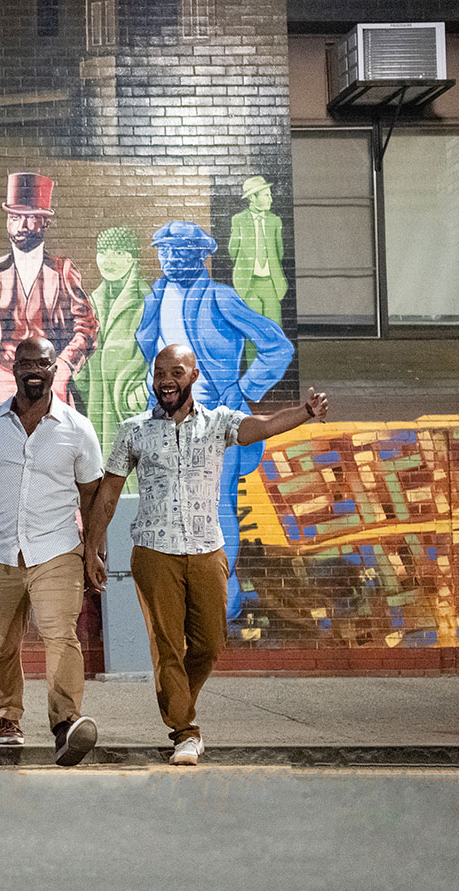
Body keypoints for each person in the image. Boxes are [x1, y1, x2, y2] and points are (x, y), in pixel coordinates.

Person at [85, 344, 330, 766]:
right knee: (166, 644)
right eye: (159, 372)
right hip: (153, 550)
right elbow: (108, 493)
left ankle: (177, 701)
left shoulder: (218, 423)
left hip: (206, 549)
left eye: (175, 372)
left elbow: (265, 426)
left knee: (211, 642)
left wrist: (305, 412)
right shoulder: (134, 430)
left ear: (193, 376)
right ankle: (186, 731)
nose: (165, 380)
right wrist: (92, 546)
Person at [0, 336, 103, 766]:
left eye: (42, 363)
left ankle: (65, 723)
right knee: (0, 645)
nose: (33, 370)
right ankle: (7, 717)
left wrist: (94, 551)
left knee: (61, 636)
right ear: (13, 368)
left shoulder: (77, 428)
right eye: (25, 363)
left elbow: (92, 496)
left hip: (57, 550)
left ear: (55, 369)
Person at [135, 221, 295, 619]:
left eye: (179, 252)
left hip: (213, 428)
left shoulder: (220, 298)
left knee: (217, 508)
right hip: (165, 425)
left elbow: (277, 346)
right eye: (164, 251)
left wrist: (243, 389)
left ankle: (225, 597)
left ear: (198, 255)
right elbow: (148, 347)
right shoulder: (157, 295)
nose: (169, 259)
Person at [0, 172, 98, 418]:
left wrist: (65, 367)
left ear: (45, 222)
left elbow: (87, 328)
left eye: (31, 218)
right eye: (15, 217)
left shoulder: (63, 271)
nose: (22, 225)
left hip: (48, 384)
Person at [74, 227, 153, 472]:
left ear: (133, 258)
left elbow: (159, 352)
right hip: (97, 405)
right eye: (103, 252)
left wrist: (141, 392)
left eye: (119, 252)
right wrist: (82, 378)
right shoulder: (92, 301)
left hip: (130, 406)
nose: (109, 260)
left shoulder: (147, 298)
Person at [227, 176, 286, 325]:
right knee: (252, 329)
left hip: (271, 283)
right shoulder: (239, 220)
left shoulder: (274, 221)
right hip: (248, 284)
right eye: (267, 195)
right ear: (253, 197)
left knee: (274, 327)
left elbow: (279, 251)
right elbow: (233, 250)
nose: (271, 199)